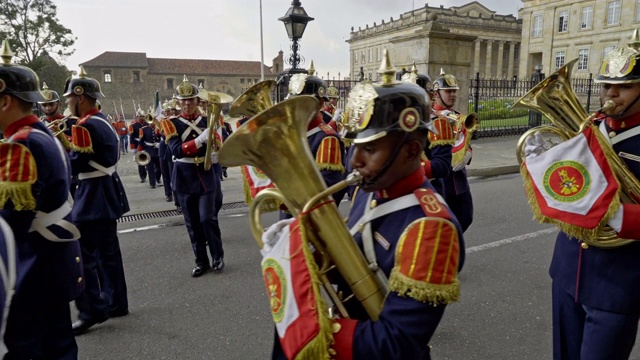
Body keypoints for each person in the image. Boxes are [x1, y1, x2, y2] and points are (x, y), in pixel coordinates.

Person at [271, 49, 464, 359]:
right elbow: (353, 267)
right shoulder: (370, 189)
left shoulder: (430, 228)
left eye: (370, 149)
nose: (354, 161)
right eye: (354, 146)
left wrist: (313, 330)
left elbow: (396, 343)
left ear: (412, 150)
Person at [536, 33, 640, 360]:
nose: (611, 93)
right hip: (569, 270)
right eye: (607, 85)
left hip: (618, 284)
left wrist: (615, 214)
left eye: (623, 87)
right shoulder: (590, 127)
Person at [0, 39, 83, 358]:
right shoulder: (40, 133)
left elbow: (10, 224)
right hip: (51, 262)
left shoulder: (21, 146)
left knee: (30, 349)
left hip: (32, 268)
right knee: (58, 346)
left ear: (6, 101)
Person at [64, 66, 130, 335]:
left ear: (80, 97)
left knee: (85, 256)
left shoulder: (86, 125)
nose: (67, 103)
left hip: (93, 195)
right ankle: (116, 303)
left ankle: (93, 309)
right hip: (105, 190)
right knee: (108, 254)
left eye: (70, 98)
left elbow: (76, 163)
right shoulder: (101, 119)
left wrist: (65, 146)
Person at [161, 76, 224, 277]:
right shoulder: (170, 124)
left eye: (191, 100)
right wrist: (200, 140)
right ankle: (201, 261)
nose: (187, 104)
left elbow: (218, 144)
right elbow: (177, 151)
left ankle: (217, 256)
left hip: (206, 175)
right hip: (184, 177)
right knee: (193, 224)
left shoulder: (209, 120)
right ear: (178, 103)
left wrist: (217, 153)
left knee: (208, 219)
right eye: (183, 101)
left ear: (198, 101)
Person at [281, 73, 346, 218]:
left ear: (320, 104)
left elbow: (326, 191)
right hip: (292, 215)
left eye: (301, 103)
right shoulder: (296, 133)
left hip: (312, 222)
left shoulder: (327, 139)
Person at [432, 69, 474, 232]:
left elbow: (465, 141)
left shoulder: (459, 117)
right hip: (441, 181)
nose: (453, 95)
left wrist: (468, 154)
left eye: (454, 91)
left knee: (465, 217)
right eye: (448, 91)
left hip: (459, 181)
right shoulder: (430, 118)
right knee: (442, 226)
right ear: (436, 93)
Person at [402, 65, 453, 197]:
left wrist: (405, 169)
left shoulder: (438, 123)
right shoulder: (398, 124)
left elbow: (442, 166)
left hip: (428, 191)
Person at [137, 109, 162, 189]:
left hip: (158, 150)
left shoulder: (159, 128)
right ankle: (152, 183)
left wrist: (160, 144)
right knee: (150, 168)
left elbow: (162, 137)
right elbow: (141, 141)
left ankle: (157, 178)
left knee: (159, 167)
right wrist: (140, 151)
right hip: (148, 150)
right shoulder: (144, 129)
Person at [129, 109, 148, 183]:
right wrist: (133, 148)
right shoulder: (134, 126)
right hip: (138, 144)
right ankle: (142, 176)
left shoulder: (147, 124)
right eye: (140, 117)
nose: (142, 118)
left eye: (143, 116)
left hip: (146, 144)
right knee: (141, 162)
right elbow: (132, 137)